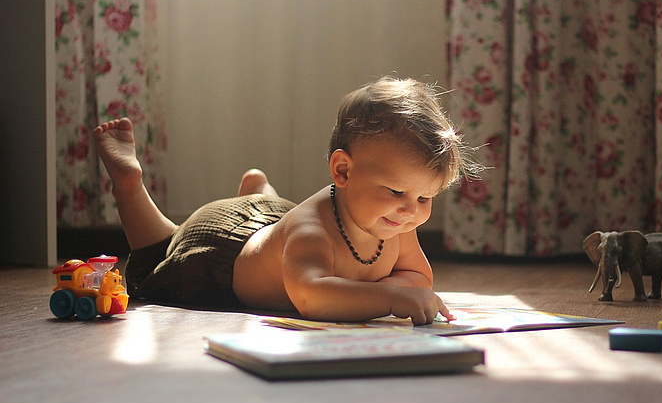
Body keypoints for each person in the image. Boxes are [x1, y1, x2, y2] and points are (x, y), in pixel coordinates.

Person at [94, 76, 479, 325]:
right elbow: (312, 297)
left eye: (426, 197)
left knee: (278, 216)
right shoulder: (311, 231)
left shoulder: (397, 221)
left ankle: (259, 192)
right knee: (163, 248)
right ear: (342, 171)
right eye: (397, 192)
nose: (411, 210)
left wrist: (405, 288)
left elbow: (418, 277)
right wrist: (390, 296)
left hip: (274, 224)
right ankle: (130, 186)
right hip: (220, 249)